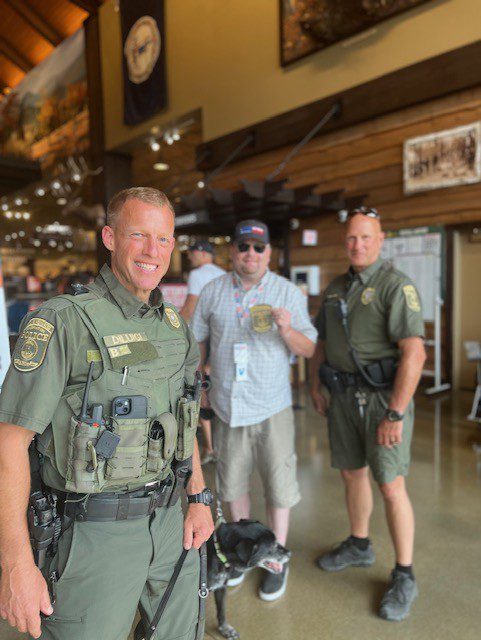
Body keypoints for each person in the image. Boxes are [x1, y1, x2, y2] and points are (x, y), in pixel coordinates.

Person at [0, 187, 214, 640]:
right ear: (110, 238)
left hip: (172, 524)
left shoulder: (176, 328)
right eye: (139, 235)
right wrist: (16, 563)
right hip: (94, 532)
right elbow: (9, 441)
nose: (152, 251)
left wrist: (198, 498)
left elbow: (185, 418)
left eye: (163, 239)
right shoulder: (62, 321)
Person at [309, 207, 426, 622]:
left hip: (382, 401)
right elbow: (321, 341)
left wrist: (395, 412)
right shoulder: (337, 286)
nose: (357, 245)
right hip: (341, 397)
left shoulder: (396, 286)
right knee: (351, 473)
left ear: (380, 241)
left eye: (365, 238)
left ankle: (405, 572)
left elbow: (415, 353)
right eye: (351, 238)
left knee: (391, 485)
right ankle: (359, 544)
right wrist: (314, 385)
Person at [191, 219, 317, 602]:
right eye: (243, 246)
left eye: (258, 248)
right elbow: (197, 342)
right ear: (232, 251)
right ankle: (240, 557)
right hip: (228, 406)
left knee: (279, 487)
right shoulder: (213, 290)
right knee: (232, 486)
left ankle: (276, 559)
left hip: (272, 406)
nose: (250, 253)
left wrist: (286, 329)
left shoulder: (286, 292)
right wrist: (201, 387)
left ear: (269, 253)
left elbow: (308, 348)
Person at [180, 240, 225, 464]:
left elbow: (189, 307)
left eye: (191, 254)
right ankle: (222, 444)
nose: (190, 258)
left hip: (201, 340)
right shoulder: (223, 274)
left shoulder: (197, 274)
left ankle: (209, 447)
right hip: (221, 340)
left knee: (200, 390)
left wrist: (172, 327)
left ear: (200, 253)